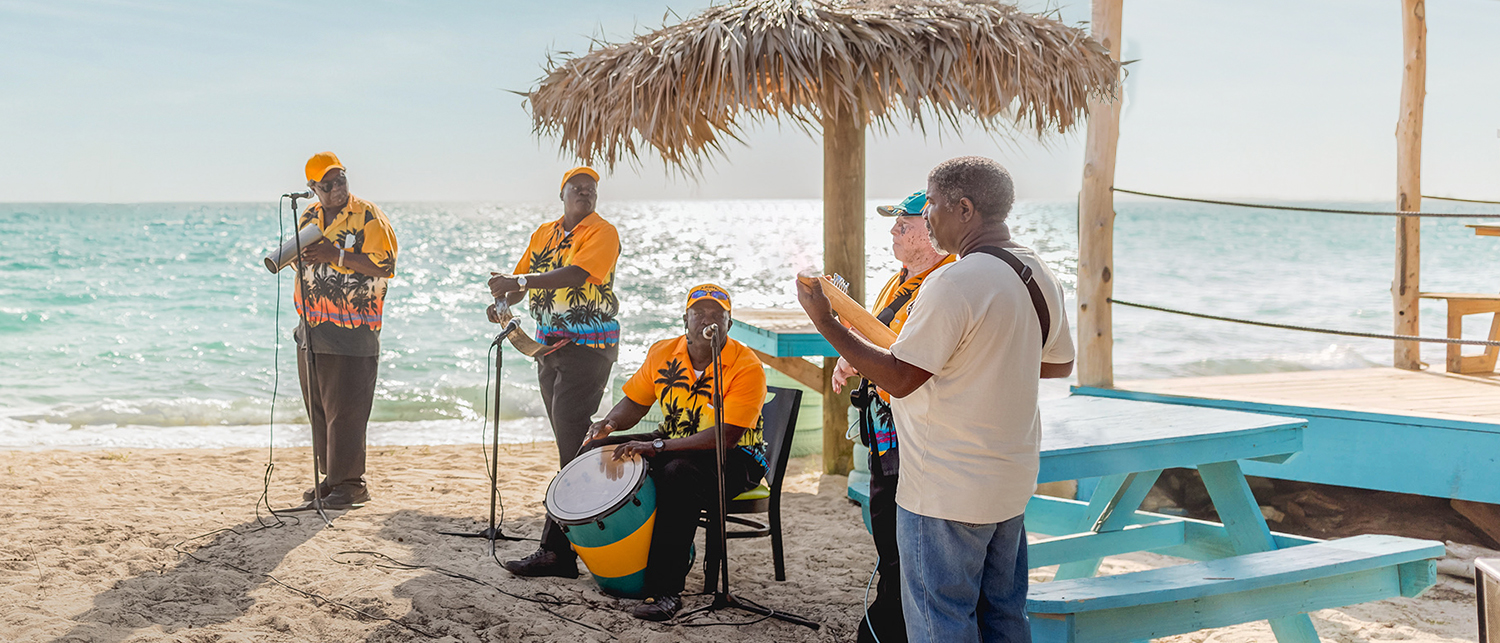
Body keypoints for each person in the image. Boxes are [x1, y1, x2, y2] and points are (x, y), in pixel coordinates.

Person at [796, 156, 1074, 643]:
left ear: (964, 209)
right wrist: (982, 366)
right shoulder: (1034, 270)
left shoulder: (953, 282)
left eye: (933, 209)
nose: (928, 220)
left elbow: (901, 378)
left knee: (941, 619)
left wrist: (826, 322)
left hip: (946, 485)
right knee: (1004, 615)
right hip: (1009, 476)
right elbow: (1056, 363)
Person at [580, 284, 767, 621]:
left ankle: (665, 591)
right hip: (674, 441)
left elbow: (726, 436)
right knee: (594, 449)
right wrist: (608, 423)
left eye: (717, 315)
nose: (708, 320)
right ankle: (555, 553)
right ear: (686, 319)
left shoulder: (746, 366)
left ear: (729, 323)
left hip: (736, 458)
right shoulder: (663, 352)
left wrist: (656, 447)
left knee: (677, 472)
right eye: (700, 313)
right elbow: (635, 403)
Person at [488, 167, 622, 577]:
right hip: (548, 349)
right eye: (576, 189)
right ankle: (576, 542)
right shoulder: (544, 233)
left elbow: (578, 274)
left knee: (572, 449)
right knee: (572, 446)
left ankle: (559, 551)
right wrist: (502, 299)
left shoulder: (602, 232)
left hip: (588, 349)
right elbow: (520, 284)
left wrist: (521, 279)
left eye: (591, 190)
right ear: (561, 194)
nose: (584, 194)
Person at [836, 190, 955, 643]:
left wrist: (843, 337)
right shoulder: (901, 279)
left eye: (903, 225)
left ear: (931, 232)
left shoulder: (942, 284)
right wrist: (850, 354)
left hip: (915, 435)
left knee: (905, 537)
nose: (893, 232)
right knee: (887, 528)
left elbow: (905, 357)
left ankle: (892, 623)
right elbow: (879, 334)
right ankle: (890, 616)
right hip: (884, 431)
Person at [292, 151, 399, 510]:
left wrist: (333, 255)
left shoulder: (368, 215)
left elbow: (386, 264)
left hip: (353, 327)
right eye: (328, 183)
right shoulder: (307, 215)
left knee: (347, 411)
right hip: (312, 325)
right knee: (320, 408)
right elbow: (301, 257)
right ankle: (332, 478)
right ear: (313, 187)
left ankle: (352, 484)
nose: (337, 187)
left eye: (342, 180)